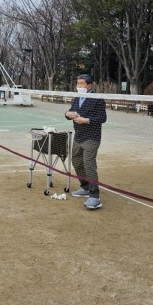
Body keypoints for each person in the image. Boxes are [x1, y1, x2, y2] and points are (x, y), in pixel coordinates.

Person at [65, 74, 107, 210]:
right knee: (76, 161)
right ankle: (85, 187)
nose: (79, 86)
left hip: (92, 136)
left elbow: (102, 118)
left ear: (89, 85)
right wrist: (67, 114)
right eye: (78, 84)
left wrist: (86, 120)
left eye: (82, 84)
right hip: (79, 136)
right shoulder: (77, 97)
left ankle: (95, 197)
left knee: (89, 164)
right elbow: (71, 111)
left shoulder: (98, 99)